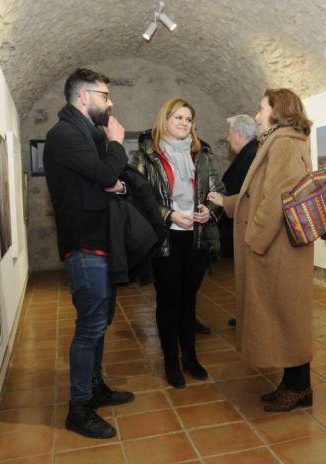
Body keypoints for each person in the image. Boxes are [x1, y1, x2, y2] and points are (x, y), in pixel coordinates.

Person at [208, 89, 314, 412]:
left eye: (261, 108)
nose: (257, 115)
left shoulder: (282, 143)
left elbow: (273, 201)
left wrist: (253, 240)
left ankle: (298, 388)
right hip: (277, 246)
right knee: (284, 315)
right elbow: (257, 194)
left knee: (287, 317)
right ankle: (294, 384)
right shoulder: (283, 141)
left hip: (276, 248)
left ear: (277, 110)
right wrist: (227, 203)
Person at [44, 68, 134, 439]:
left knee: (100, 322)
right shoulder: (65, 135)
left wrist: (109, 177)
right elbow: (105, 172)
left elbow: (109, 178)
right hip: (84, 246)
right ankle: (78, 407)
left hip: (98, 243)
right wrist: (115, 142)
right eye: (105, 95)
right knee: (90, 326)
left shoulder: (81, 134)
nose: (110, 103)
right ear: (83, 96)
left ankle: (94, 387)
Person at [130, 98, 225, 389]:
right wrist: (169, 214)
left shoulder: (203, 154)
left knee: (189, 300)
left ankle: (190, 358)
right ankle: (170, 361)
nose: (184, 123)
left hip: (197, 237)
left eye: (188, 119)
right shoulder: (146, 155)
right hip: (165, 238)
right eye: (178, 117)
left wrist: (212, 210)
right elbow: (138, 198)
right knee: (169, 302)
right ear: (165, 120)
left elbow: (217, 190)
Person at [220, 115, 258, 328]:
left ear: (240, 134)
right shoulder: (249, 153)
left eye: (229, 134)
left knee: (251, 278)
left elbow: (251, 194)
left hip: (247, 224)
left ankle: (251, 318)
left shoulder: (252, 155)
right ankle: (247, 316)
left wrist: (224, 201)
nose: (228, 139)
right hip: (241, 222)